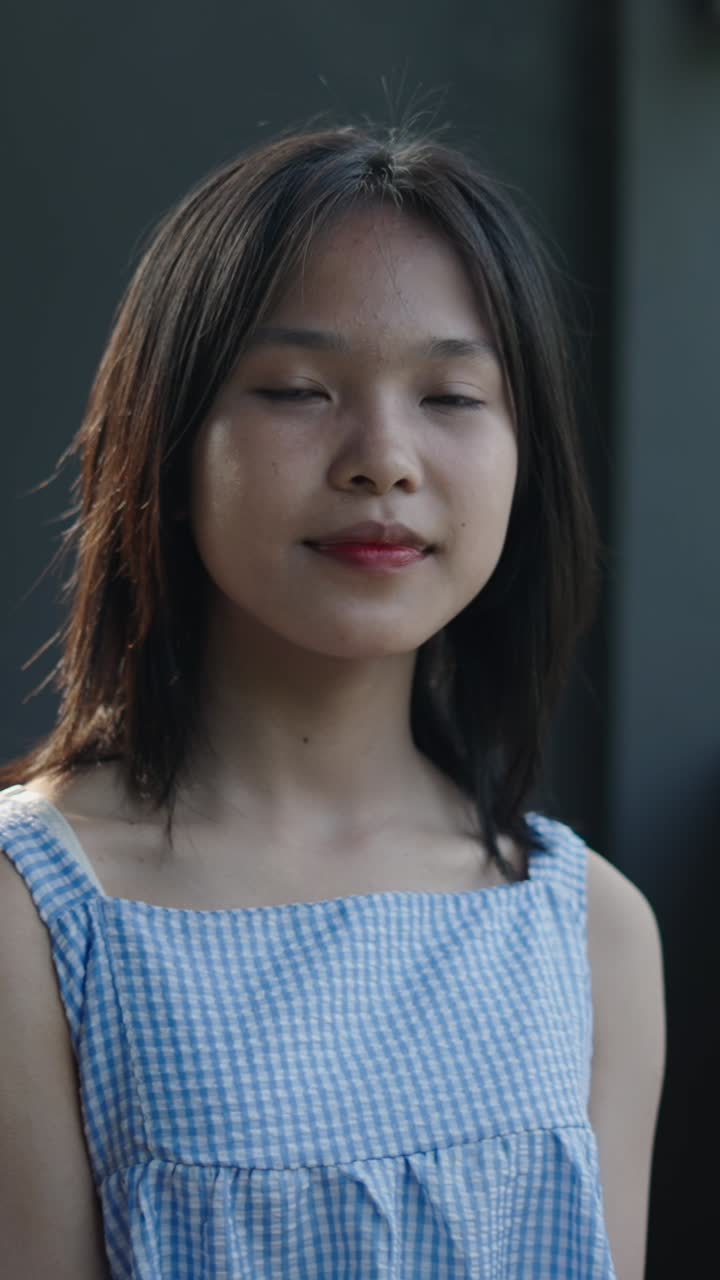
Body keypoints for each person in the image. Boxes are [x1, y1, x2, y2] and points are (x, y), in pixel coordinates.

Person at [0, 123, 665, 1279]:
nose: (383, 459)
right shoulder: (36, 917)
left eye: (452, 396)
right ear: (166, 440)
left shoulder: (592, 930)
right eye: (300, 388)